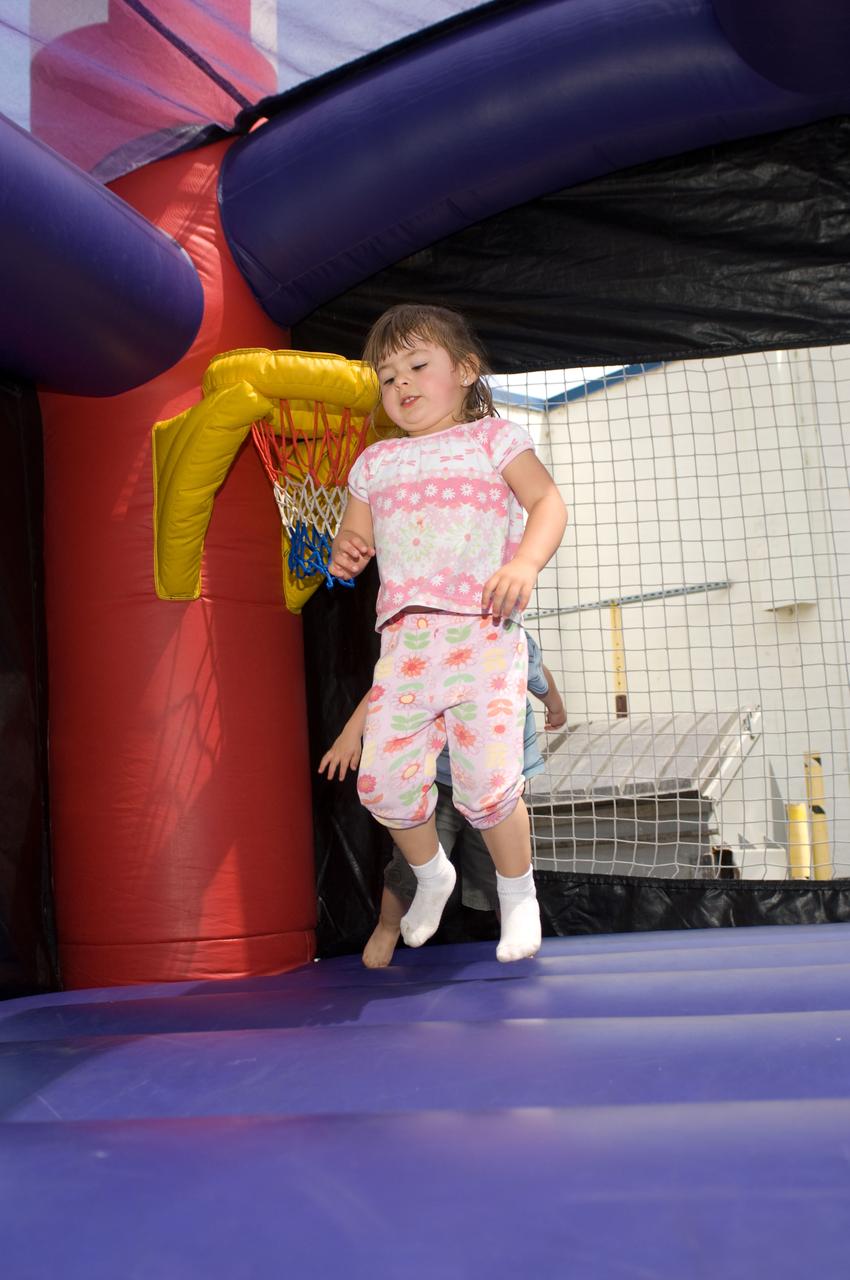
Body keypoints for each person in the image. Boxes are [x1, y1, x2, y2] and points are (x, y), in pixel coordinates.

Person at [329, 303, 568, 962]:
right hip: (406, 643)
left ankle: (519, 898)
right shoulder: (374, 464)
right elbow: (356, 537)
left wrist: (523, 561)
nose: (400, 383)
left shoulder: (494, 439)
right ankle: (433, 875)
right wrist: (347, 552)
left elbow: (547, 502)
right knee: (382, 785)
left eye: (417, 365)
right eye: (387, 376)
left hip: (481, 634)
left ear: (464, 370)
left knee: (487, 788)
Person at [319, 633, 566, 966]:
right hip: (441, 783)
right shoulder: (434, 635)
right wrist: (352, 732)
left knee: (501, 865)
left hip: (495, 783)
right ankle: (388, 927)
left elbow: (538, 674)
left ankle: (515, 928)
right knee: (410, 865)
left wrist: (555, 705)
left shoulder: (508, 637)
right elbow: (387, 688)